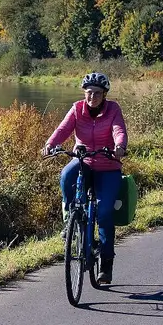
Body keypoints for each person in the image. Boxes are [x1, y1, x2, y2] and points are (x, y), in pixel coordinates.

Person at [41, 72, 128, 284]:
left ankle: (106, 263)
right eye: (89, 93)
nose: (92, 97)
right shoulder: (77, 108)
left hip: (108, 166)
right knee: (66, 175)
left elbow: (119, 130)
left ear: (105, 94)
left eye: (98, 93)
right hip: (84, 161)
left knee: (105, 212)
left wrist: (119, 146)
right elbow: (63, 129)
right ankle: (71, 218)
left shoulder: (113, 109)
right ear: (84, 93)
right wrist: (50, 144)